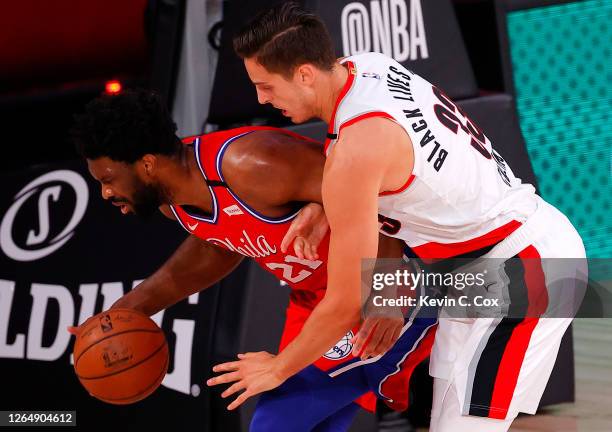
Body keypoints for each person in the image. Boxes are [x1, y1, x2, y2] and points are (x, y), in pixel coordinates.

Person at [211, 3, 587, 431]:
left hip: (523, 269)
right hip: (478, 267)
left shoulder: (355, 153)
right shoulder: (365, 66)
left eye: (266, 86)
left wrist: (278, 368)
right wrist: (326, 205)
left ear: (304, 74)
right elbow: (390, 169)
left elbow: (345, 300)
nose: (261, 99)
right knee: (447, 418)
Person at [69, 89, 437, 431]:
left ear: (147, 165)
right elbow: (217, 245)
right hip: (320, 300)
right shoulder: (172, 203)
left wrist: (386, 293)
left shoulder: (255, 162)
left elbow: (376, 195)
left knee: (276, 420)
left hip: (392, 279)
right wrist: (130, 309)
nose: (106, 192)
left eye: (109, 178)